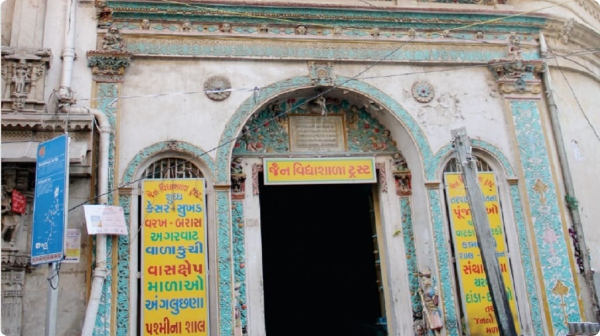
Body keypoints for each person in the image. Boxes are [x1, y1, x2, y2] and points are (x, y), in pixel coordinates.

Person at [419, 270, 444, 336]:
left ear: (428, 280)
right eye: (423, 280)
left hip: (433, 310)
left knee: (435, 326)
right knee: (430, 326)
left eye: (424, 280)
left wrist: (435, 295)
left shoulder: (430, 289)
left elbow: (435, 301)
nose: (424, 282)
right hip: (429, 310)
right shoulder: (426, 290)